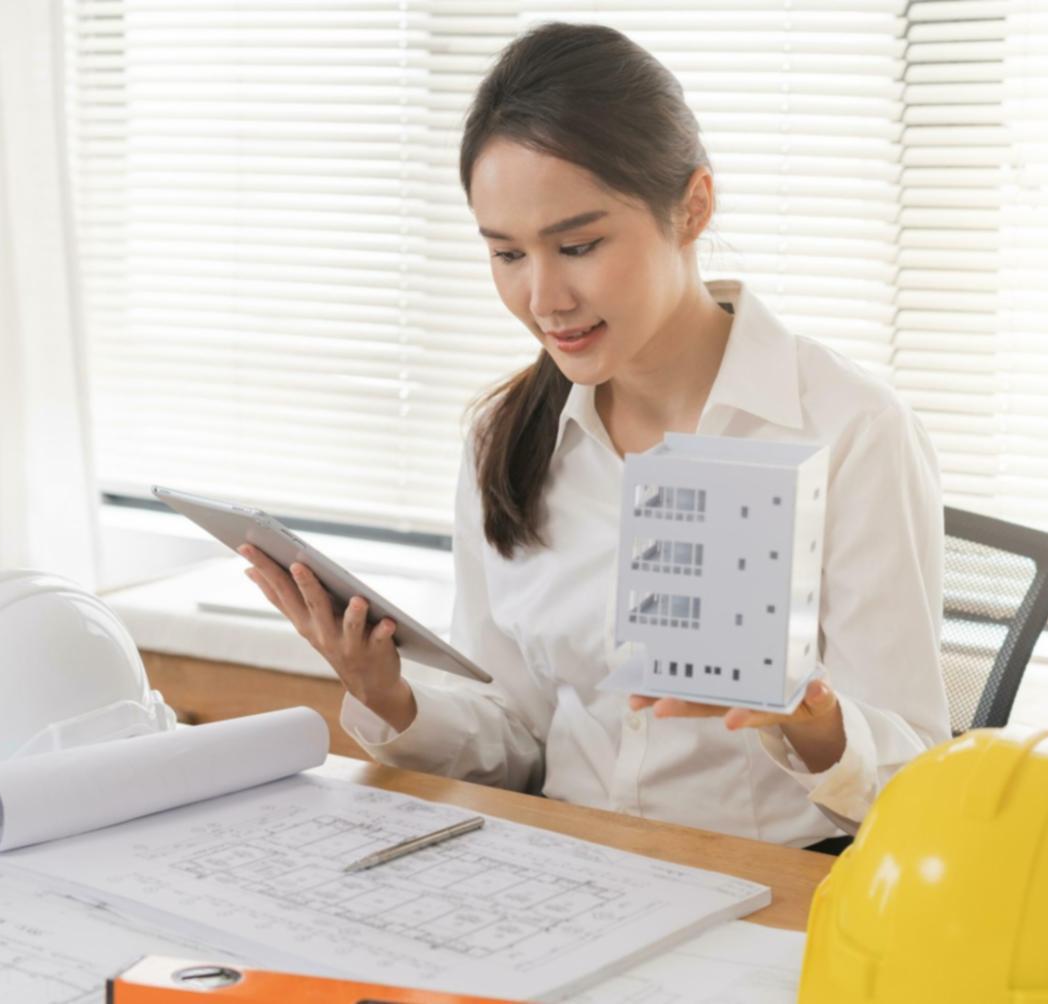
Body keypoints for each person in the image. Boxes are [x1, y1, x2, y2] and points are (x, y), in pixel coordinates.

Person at [240, 21, 950, 849]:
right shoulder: (507, 437)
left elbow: (919, 781)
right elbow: (517, 737)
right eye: (506, 254)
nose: (544, 299)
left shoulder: (851, 429)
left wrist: (807, 717)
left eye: (577, 245)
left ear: (692, 207)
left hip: (769, 882)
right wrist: (387, 692)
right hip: (561, 865)